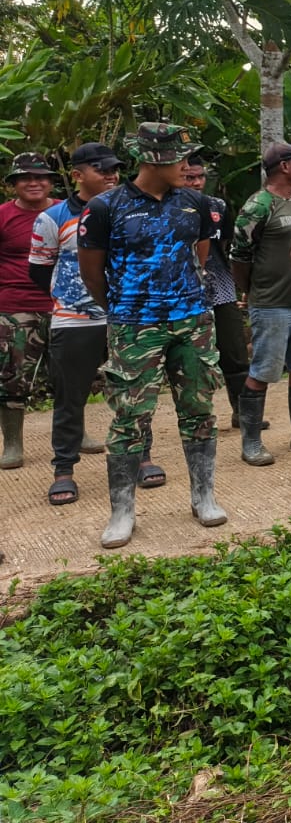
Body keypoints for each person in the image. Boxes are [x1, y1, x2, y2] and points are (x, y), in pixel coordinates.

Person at [78, 123, 224, 548]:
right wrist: (123, 310)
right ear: (154, 159)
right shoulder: (106, 207)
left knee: (199, 408)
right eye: (181, 159)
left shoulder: (194, 202)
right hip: (134, 325)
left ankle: (204, 496)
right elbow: (92, 272)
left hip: (192, 321)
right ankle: (122, 511)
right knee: (129, 417)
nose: (188, 166)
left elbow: (198, 253)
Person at [30, 143, 121, 503]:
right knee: (69, 398)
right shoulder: (52, 218)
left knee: (132, 393)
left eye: (115, 169)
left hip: (125, 317)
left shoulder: (128, 211)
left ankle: (140, 458)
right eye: (103, 170)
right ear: (78, 175)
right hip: (73, 320)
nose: (112, 175)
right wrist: (69, 298)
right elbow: (39, 269)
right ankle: (64, 470)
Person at [230, 141, 291, 467]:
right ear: (284, 166)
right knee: (264, 371)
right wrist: (252, 290)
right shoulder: (258, 206)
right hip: (271, 303)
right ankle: (251, 442)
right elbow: (239, 256)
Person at [1, 151, 61, 472]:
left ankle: (74, 435)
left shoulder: (66, 211)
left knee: (70, 374)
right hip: (15, 307)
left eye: (40, 177)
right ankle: (12, 443)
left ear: (50, 181)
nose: (34, 182)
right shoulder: (2, 216)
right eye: (25, 177)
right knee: (11, 376)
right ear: (14, 184)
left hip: (63, 305)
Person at [182, 155, 251, 430]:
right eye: (190, 177)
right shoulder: (166, 208)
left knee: (235, 352)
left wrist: (240, 285)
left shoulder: (217, 207)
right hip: (184, 292)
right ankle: (198, 417)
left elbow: (230, 245)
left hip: (220, 287)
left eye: (200, 177)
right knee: (192, 358)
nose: (197, 182)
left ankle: (244, 412)